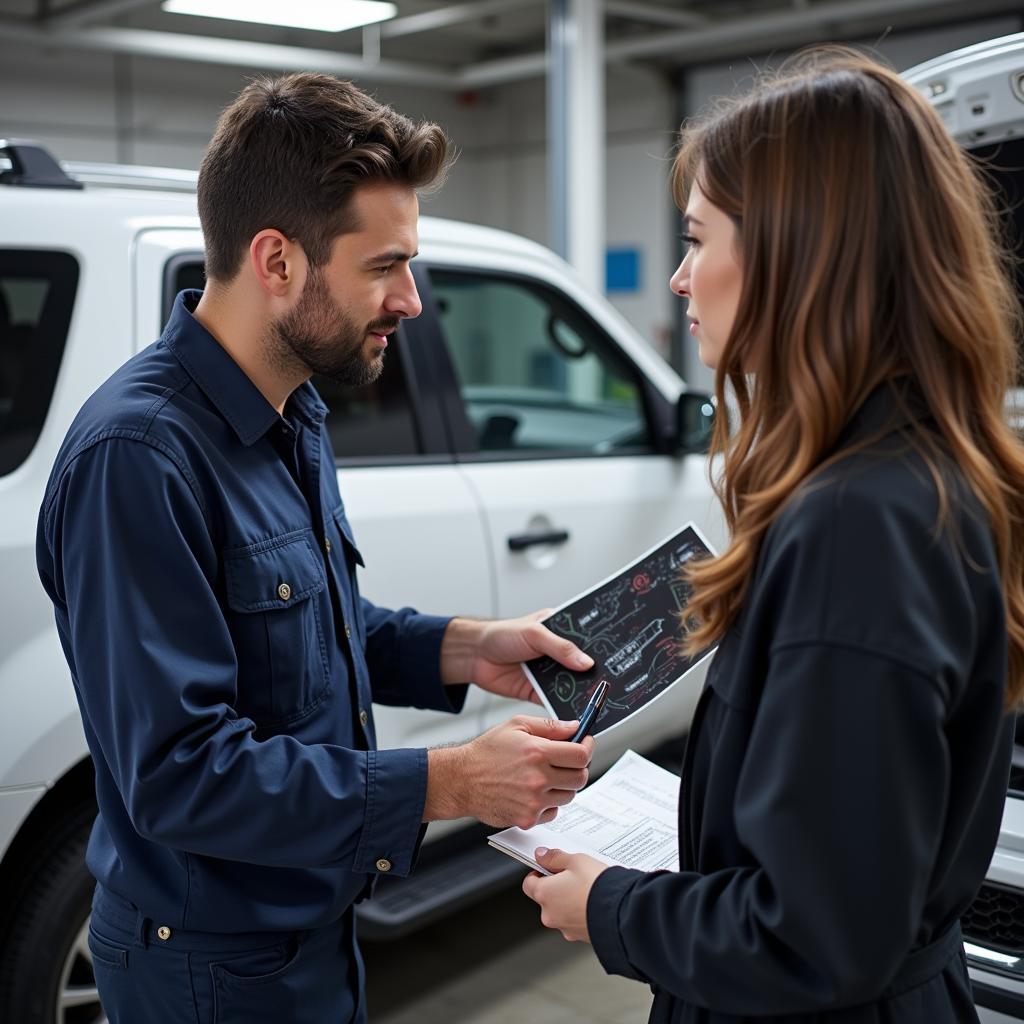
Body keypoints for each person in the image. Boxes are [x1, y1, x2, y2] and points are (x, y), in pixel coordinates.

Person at [36, 72, 596, 1024]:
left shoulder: (290, 408)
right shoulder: (139, 459)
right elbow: (179, 773)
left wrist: (468, 647)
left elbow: (312, 624)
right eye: (384, 266)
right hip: (208, 968)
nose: (411, 300)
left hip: (307, 924)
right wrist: (451, 779)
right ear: (278, 261)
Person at [524, 46, 1024, 1023]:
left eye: (697, 238)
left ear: (799, 255)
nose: (676, 278)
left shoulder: (858, 526)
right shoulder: (915, 477)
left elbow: (814, 934)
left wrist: (609, 904)